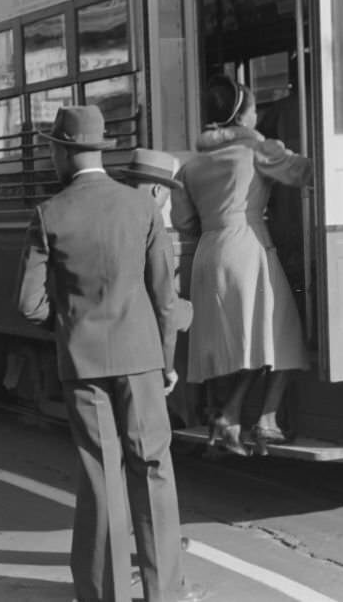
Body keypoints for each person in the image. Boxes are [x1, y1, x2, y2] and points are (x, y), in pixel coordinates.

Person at [17, 106, 203, 602]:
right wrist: (166, 361)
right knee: (154, 469)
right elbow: (164, 297)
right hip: (141, 359)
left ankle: (106, 594)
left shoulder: (49, 214)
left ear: (61, 150)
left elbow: (28, 304)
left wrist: (70, 322)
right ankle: (164, 592)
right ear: (100, 148)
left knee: (101, 474)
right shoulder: (140, 208)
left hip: (83, 365)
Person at [170, 76, 311, 457]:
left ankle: (230, 417)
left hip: (208, 254)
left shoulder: (192, 166)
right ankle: (261, 420)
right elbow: (303, 173)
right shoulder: (256, 151)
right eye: (252, 108)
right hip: (248, 250)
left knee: (239, 343)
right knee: (282, 338)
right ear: (241, 115)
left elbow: (184, 223)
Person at [118, 147, 194, 393]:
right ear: (157, 190)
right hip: (144, 355)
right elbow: (165, 307)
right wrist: (167, 367)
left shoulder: (109, 222)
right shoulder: (154, 228)